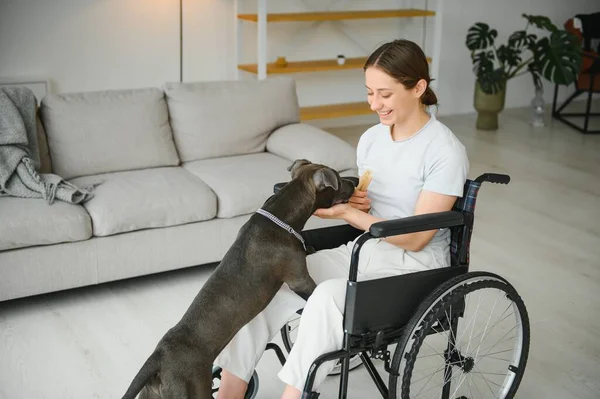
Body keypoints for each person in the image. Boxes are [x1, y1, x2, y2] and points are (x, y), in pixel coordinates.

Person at [215, 38, 469, 399]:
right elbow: (368, 217)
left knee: (329, 297)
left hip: (417, 267)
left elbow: (417, 239)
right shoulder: (371, 140)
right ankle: (229, 393)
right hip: (367, 250)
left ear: (418, 88)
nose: (374, 104)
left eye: (385, 94)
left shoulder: (444, 150)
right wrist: (358, 208)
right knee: (265, 279)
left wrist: (351, 212)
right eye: (369, 93)